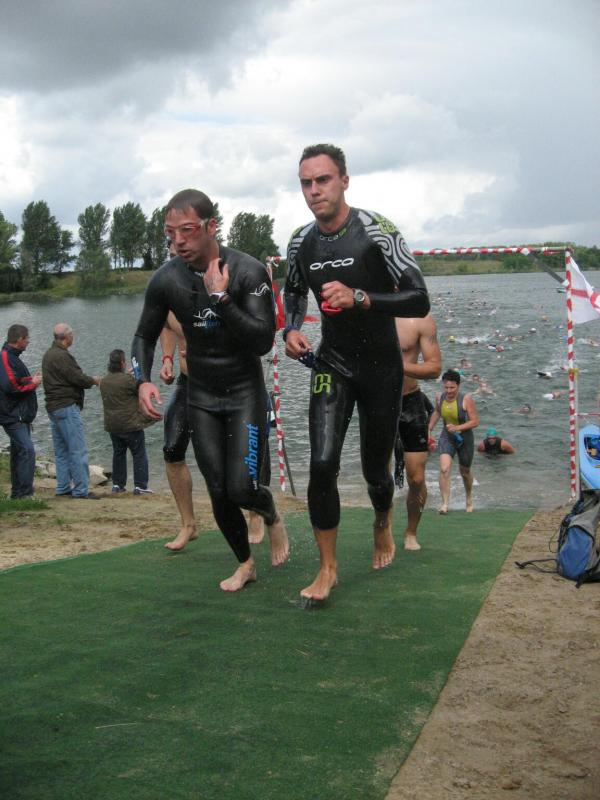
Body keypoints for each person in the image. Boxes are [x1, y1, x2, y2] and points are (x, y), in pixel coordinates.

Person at [284, 143, 430, 603]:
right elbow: (293, 293)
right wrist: (290, 328)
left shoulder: (377, 231)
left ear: (344, 181)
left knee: (375, 472)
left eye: (322, 180)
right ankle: (327, 568)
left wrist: (361, 297)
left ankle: (382, 521)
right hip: (333, 362)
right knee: (322, 462)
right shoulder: (299, 242)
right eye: (306, 183)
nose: (314, 190)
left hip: (382, 368)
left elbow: (418, 298)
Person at [132, 188, 288, 592]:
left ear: (211, 226)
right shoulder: (166, 279)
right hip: (200, 396)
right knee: (218, 490)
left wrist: (221, 297)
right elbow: (144, 335)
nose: (178, 241)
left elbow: (262, 341)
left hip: (245, 393)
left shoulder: (248, 271)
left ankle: (271, 515)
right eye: (170, 233)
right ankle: (245, 563)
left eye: (187, 230)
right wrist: (142, 379)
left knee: (243, 488)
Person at [394, 313, 442, 551]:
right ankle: (382, 526)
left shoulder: (420, 319)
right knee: (378, 475)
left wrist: (396, 364)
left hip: (410, 402)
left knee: (417, 478)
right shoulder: (366, 312)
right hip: (377, 402)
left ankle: (411, 531)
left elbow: (434, 367)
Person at [42, 323, 101, 499]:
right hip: (66, 406)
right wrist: (94, 380)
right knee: (77, 450)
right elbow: (77, 378)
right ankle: (81, 490)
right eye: (72, 334)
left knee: (61, 451)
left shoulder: (48, 354)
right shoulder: (62, 356)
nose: (73, 337)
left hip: (53, 408)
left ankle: (62, 487)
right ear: (67, 337)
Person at [159, 311, 198, 550]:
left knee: (234, 451)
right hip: (187, 380)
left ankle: (255, 515)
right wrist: (167, 358)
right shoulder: (171, 294)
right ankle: (188, 524)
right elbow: (167, 326)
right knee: (172, 450)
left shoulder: (219, 290)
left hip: (226, 381)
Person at [99, 349, 156, 494]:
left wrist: (129, 377)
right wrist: (137, 376)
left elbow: (121, 386)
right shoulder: (128, 380)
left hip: (113, 426)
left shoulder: (104, 381)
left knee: (118, 454)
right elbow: (142, 390)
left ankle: (118, 485)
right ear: (122, 363)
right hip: (131, 425)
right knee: (139, 454)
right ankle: (140, 486)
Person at [428, 369, 479, 514]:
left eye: (452, 388)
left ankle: (468, 498)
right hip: (447, 436)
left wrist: (457, 428)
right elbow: (437, 412)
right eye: (446, 387)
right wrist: (429, 428)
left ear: (458, 386)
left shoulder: (466, 399)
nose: (449, 391)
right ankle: (444, 504)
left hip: (465, 438)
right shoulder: (440, 397)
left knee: (465, 471)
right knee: (444, 469)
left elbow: (475, 421)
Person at [0, 324, 41, 499]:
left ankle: (17, 493)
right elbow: (10, 387)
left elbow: (15, 379)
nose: (29, 341)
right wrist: (33, 385)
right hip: (12, 414)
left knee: (18, 452)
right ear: (19, 339)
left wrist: (30, 380)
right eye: (27, 338)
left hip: (18, 414)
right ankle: (25, 493)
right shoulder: (5, 357)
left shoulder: (11, 357)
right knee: (27, 450)